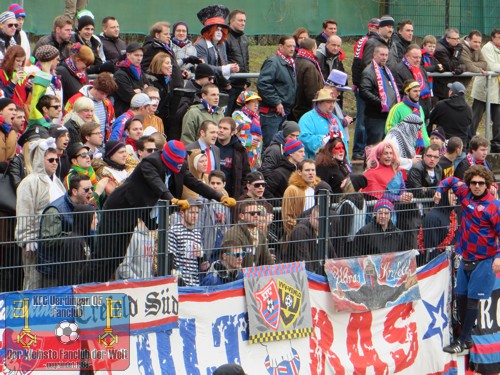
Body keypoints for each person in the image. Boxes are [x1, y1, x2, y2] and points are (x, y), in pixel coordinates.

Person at [79, 140, 235, 283]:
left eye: (182, 161)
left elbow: (194, 183)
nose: (180, 165)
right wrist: (172, 199)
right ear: (168, 156)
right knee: (103, 256)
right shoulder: (151, 162)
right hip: (119, 208)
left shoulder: (181, 165)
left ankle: (98, 285)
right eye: (177, 161)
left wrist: (219, 197)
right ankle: (82, 287)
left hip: (137, 212)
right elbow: (156, 183)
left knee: (117, 257)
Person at [434, 166, 500, 354]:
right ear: (469, 183)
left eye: (481, 183)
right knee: (460, 298)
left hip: (484, 260)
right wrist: (440, 191)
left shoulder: (494, 206)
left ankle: (461, 340)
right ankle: (468, 336)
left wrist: (498, 257)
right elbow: (449, 180)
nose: (477, 186)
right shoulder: (465, 193)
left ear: (487, 185)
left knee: (472, 301)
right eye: (473, 183)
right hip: (466, 257)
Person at [15, 138, 66, 290]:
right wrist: (27, 239)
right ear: (39, 159)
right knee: (33, 282)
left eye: (56, 159)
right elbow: (24, 211)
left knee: (53, 283)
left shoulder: (57, 182)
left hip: (56, 241)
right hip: (36, 243)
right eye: (50, 160)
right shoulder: (29, 182)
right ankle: (29, 312)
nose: (55, 163)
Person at [37, 174, 93, 287]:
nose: (91, 192)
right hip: (55, 270)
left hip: (74, 267)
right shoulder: (55, 210)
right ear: (74, 191)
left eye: (92, 188)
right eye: (86, 189)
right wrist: (74, 237)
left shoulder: (85, 206)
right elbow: (48, 240)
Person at [257, 35, 297, 149]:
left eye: (293, 46)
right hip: (272, 113)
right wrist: (276, 102)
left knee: (280, 146)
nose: (292, 49)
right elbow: (263, 84)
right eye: (289, 46)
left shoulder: (290, 63)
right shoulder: (273, 62)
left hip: (284, 112)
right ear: (280, 46)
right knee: (271, 146)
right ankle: (267, 167)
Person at [351, 17, 380, 160]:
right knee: (361, 121)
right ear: (370, 27)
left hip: (374, 89)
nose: (376, 29)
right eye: (375, 26)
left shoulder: (381, 42)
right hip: (363, 87)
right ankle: (358, 150)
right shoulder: (363, 41)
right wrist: (358, 85)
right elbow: (357, 64)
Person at [360, 45, 400, 146]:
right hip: (375, 116)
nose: (384, 57)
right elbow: (364, 91)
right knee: (374, 146)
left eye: (386, 55)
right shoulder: (369, 71)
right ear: (374, 55)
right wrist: (381, 103)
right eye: (381, 54)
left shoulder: (386, 70)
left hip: (388, 115)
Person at [405, 144, 443, 249]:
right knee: (414, 244)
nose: (432, 159)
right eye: (429, 156)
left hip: (429, 210)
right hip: (413, 212)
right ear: (423, 156)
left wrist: (428, 190)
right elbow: (417, 191)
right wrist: (433, 192)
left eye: (435, 157)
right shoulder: (416, 169)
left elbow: (441, 188)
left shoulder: (439, 169)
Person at [195, 5, 237, 91]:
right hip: (206, 88)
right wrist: (225, 69)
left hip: (220, 86)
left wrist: (231, 68)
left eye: (221, 30)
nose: (219, 32)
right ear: (209, 31)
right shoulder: (200, 45)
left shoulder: (222, 45)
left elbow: (224, 63)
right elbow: (204, 68)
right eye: (217, 29)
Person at [471, 29, 500, 152]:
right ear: (492, 38)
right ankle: (468, 141)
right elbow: (491, 66)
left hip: (497, 91)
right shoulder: (487, 48)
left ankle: (496, 144)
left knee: (498, 119)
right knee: (475, 118)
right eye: (498, 37)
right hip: (484, 90)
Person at [222, 200, 274, 268]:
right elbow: (232, 262)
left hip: (253, 275)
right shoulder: (233, 234)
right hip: (238, 275)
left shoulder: (260, 234)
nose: (256, 216)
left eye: (257, 213)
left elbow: (267, 260)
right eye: (252, 213)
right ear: (242, 216)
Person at [64, 72, 117, 138]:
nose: (104, 97)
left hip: (101, 144)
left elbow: (111, 124)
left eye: (106, 94)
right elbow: (66, 119)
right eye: (102, 93)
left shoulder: (107, 103)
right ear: (95, 87)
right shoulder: (75, 99)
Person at [299, 88, 345, 158]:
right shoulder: (307, 118)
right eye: (328, 102)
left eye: (333, 102)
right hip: (313, 162)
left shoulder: (335, 119)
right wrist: (323, 139)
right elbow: (303, 139)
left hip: (334, 162)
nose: (332, 105)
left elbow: (343, 141)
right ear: (319, 102)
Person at [168, 199, 205, 286]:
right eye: (192, 213)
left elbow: (199, 262)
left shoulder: (197, 232)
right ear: (182, 213)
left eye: (197, 213)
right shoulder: (174, 231)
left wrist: (201, 255)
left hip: (194, 282)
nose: (195, 216)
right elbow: (170, 257)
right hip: (180, 283)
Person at [392, 45, 432, 123]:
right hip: (408, 114)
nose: (418, 60)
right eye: (415, 57)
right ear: (407, 56)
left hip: (423, 113)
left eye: (419, 57)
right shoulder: (398, 70)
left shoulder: (421, 69)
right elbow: (399, 93)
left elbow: (427, 88)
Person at [141, 21, 185, 92]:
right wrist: (158, 77)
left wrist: (180, 72)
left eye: (169, 34)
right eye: (166, 34)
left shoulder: (167, 47)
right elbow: (143, 68)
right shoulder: (151, 48)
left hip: (174, 88)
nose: (169, 36)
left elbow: (173, 65)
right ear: (157, 35)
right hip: (162, 89)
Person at [282, 159, 320, 238]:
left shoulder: (318, 188)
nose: (311, 173)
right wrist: (298, 232)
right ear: (299, 172)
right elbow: (287, 217)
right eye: (307, 170)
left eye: (313, 170)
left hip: (316, 233)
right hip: (300, 234)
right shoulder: (292, 190)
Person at [429, 81, 472, 150]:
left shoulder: (441, 105)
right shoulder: (469, 109)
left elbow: (430, 120)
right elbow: (469, 128)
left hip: (443, 147)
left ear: (451, 92)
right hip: (460, 148)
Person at [64, 142, 109, 207]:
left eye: (89, 154)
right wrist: (97, 193)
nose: (88, 157)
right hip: (83, 216)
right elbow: (76, 203)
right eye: (83, 155)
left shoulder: (93, 175)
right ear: (74, 161)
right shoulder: (70, 178)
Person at [215, 117, 250, 198]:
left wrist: (241, 193)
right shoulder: (210, 146)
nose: (221, 130)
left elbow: (246, 174)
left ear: (232, 132)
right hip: (212, 193)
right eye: (219, 127)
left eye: (225, 128)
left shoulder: (240, 150)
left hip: (232, 196)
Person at [385, 80, 429, 145]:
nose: (418, 94)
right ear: (406, 92)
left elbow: (423, 130)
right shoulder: (397, 108)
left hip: (423, 149)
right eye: (415, 91)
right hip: (406, 150)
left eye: (419, 91)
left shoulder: (420, 108)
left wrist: (429, 142)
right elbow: (389, 129)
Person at [113, 42, 150, 116]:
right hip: (124, 113)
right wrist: (143, 90)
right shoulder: (120, 74)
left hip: (139, 113)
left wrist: (139, 91)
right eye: (136, 55)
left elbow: (149, 89)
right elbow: (130, 97)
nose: (139, 58)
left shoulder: (140, 72)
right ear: (128, 55)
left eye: (141, 55)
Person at [293, 38, 324, 121]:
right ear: (312, 49)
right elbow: (311, 91)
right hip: (306, 109)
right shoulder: (309, 66)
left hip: (296, 106)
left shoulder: (296, 60)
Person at [225, 10, 250, 116]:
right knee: (227, 117)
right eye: (240, 20)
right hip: (229, 87)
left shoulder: (244, 38)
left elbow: (246, 60)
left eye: (244, 20)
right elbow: (221, 60)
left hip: (242, 86)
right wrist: (226, 83)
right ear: (231, 21)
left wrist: (247, 81)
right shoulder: (224, 37)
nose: (243, 23)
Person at [232, 90, 262, 171]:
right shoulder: (238, 116)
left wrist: (258, 160)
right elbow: (231, 135)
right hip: (242, 156)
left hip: (254, 159)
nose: (256, 105)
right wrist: (247, 142)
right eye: (253, 102)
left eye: (257, 102)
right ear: (245, 103)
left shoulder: (256, 118)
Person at [433, 28, 466, 101]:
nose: (458, 41)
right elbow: (450, 66)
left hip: (449, 85)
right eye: (455, 39)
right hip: (441, 88)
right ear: (447, 39)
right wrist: (457, 53)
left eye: (458, 39)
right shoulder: (440, 50)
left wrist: (460, 69)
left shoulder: (453, 47)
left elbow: (463, 63)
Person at [145, 52, 174, 135]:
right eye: (167, 63)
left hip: (165, 120)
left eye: (170, 63)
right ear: (159, 64)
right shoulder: (151, 80)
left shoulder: (168, 81)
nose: (170, 66)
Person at [0, 98, 17, 171]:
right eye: (10, 109)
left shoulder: (10, 132)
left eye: (15, 110)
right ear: (0, 112)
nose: (14, 113)